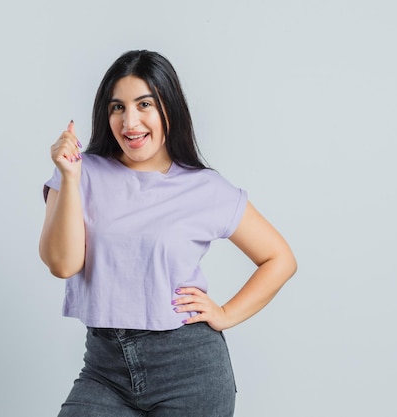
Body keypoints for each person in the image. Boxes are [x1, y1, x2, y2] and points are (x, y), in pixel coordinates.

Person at [39, 50, 297, 417]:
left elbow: (280, 259)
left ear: (168, 108)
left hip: (190, 370)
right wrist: (70, 177)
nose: (130, 121)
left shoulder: (206, 188)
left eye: (144, 104)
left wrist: (224, 313)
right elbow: (63, 265)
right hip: (104, 371)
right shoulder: (81, 173)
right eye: (117, 107)